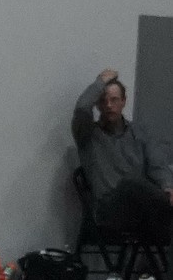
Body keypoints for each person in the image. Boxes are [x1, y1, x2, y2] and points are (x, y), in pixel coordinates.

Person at [72, 69, 173, 249]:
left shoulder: (138, 132)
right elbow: (81, 108)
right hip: (109, 211)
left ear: (124, 102)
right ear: (97, 105)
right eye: (103, 101)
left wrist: (167, 185)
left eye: (114, 100)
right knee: (131, 184)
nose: (109, 105)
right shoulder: (88, 135)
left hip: (142, 210)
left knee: (152, 187)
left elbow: (157, 164)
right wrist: (100, 82)